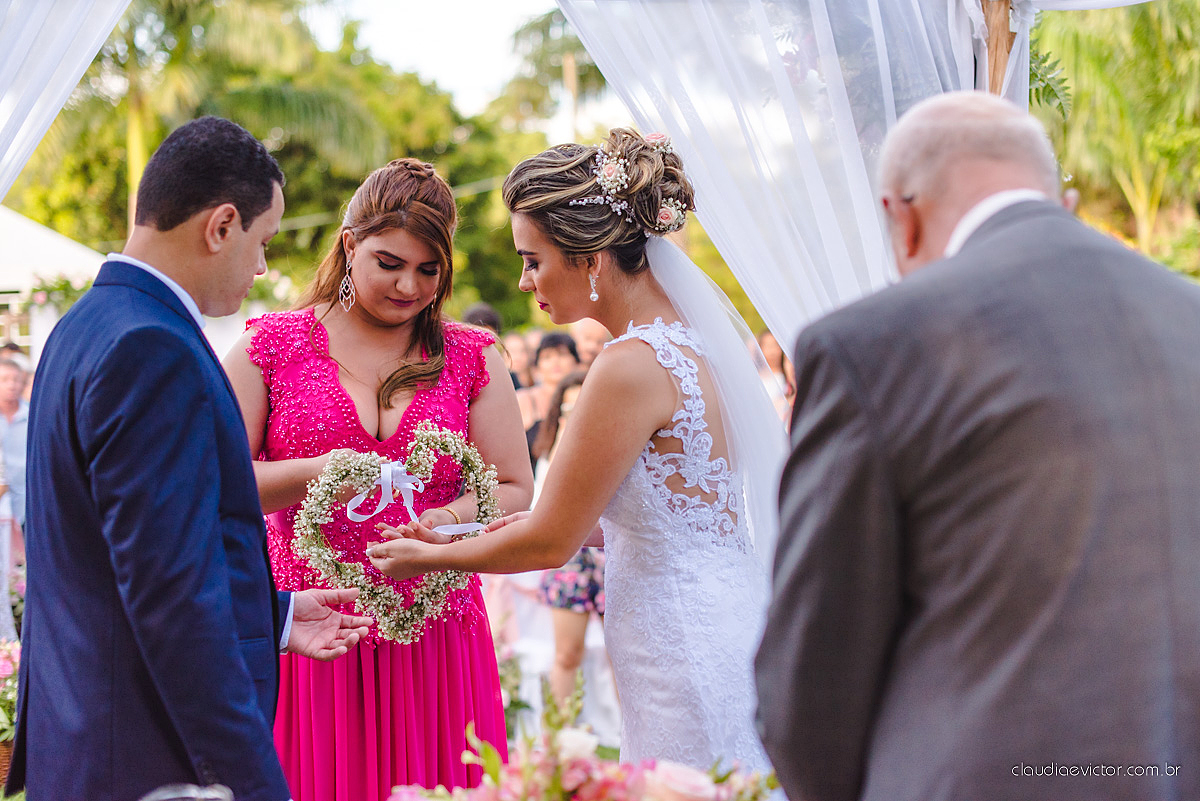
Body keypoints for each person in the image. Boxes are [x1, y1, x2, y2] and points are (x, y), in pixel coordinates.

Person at [755, 91, 1200, 801]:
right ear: (1066, 199)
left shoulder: (871, 344)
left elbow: (814, 673)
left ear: (902, 218)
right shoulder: (1188, 311)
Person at [366, 129, 786, 771]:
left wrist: (428, 555)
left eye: (534, 259)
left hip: (680, 638)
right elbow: (636, 516)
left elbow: (549, 542)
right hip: (723, 613)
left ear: (589, 260)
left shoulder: (627, 365)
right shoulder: (695, 345)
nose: (524, 278)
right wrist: (467, 531)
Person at [8, 116, 371, 801]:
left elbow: (118, 553)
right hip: (146, 758)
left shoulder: (81, 327)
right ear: (222, 225)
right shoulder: (153, 349)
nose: (262, 267)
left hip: (85, 737)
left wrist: (279, 613)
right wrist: (252, 782)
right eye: (262, 242)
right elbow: (171, 595)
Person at [224, 157, 534, 801]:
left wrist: (444, 524)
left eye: (429, 270)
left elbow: (511, 486)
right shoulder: (271, 346)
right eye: (388, 263)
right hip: (315, 629)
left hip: (438, 630)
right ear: (349, 245)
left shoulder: (471, 356)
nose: (408, 287)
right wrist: (321, 473)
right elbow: (216, 478)